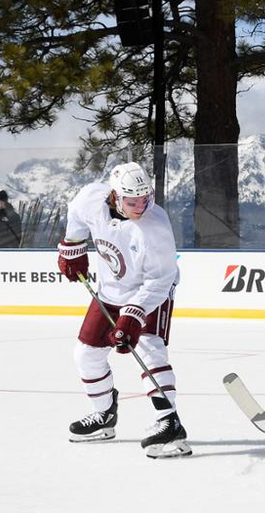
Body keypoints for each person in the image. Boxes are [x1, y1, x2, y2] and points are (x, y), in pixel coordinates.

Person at [57, 161, 190, 459]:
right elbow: (76, 214)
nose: (141, 207)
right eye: (133, 202)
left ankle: (170, 422)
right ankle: (104, 415)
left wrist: (134, 314)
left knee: (148, 348)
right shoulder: (91, 198)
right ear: (115, 196)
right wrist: (72, 246)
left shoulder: (155, 227)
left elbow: (161, 278)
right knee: (86, 353)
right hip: (110, 292)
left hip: (151, 292)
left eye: (146, 199)